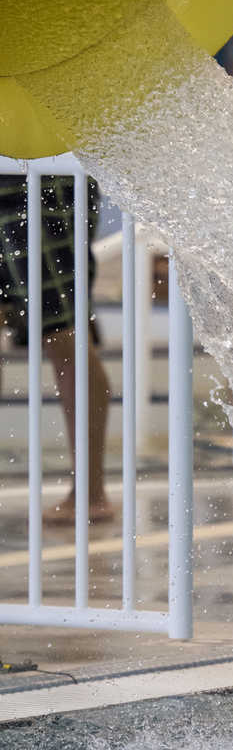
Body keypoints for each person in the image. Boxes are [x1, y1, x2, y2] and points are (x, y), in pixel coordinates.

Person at [0, 174, 113, 524]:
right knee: (63, 333)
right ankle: (89, 494)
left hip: (34, 169)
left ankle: (90, 495)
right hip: (30, 167)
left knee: (62, 332)